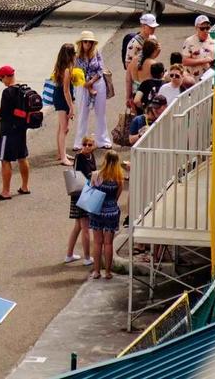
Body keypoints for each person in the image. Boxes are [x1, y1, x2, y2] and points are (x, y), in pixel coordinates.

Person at [0, 65, 30, 200]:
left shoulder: (7, 92)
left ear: (7, 77)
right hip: (21, 129)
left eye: (1, 79)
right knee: (22, 157)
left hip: (7, 130)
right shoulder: (23, 89)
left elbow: (3, 113)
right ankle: (25, 186)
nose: (1, 82)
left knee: (5, 159)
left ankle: (6, 191)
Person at [89, 150, 125, 280]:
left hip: (97, 211)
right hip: (112, 211)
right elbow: (117, 196)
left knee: (97, 243)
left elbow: (91, 191)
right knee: (108, 243)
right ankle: (108, 272)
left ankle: (97, 271)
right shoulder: (118, 178)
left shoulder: (97, 175)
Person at [73, 31, 110, 150]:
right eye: (85, 41)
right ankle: (80, 141)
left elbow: (100, 70)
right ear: (81, 43)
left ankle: (102, 140)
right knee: (83, 114)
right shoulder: (77, 56)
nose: (88, 44)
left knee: (100, 113)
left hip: (97, 83)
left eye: (90, 42)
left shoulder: (96, 53)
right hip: (82, 85)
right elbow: (76, 72)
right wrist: (86, 84)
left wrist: (91, 82)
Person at [65, 137, 96, 266]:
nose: (87, 147)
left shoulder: (91, 156)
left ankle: (69, 254)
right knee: (85, 226)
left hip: (85, 192)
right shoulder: (80, 157)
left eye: (89, 144)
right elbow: (79, 175)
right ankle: (87, 257)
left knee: (78, 226)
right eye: (84, 144)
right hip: (82, 193)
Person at [124, 13, 158, 104]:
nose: (153, 29)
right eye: (151, 27)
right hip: (138, 82)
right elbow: (128, 65)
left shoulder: (153, 39)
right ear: (143, 26)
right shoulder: (134, 43)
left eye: (154, 27)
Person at [52, 43, 77, 166]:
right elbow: (66, 90)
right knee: (64, 128)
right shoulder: (67, 70)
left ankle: (60, 152)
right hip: (63, 99)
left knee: (61, 127)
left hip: (59, 97)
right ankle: (63, 157)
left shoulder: (60, 67)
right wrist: (71, 106)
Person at [181, 15, 215, 80]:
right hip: (195, 79)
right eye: (202, 28)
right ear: (196, 28)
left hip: (211, 78)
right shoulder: (189, 41)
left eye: (207, 28)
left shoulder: (214, 39)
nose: (205, 30)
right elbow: (185, 61)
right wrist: (203, 61)